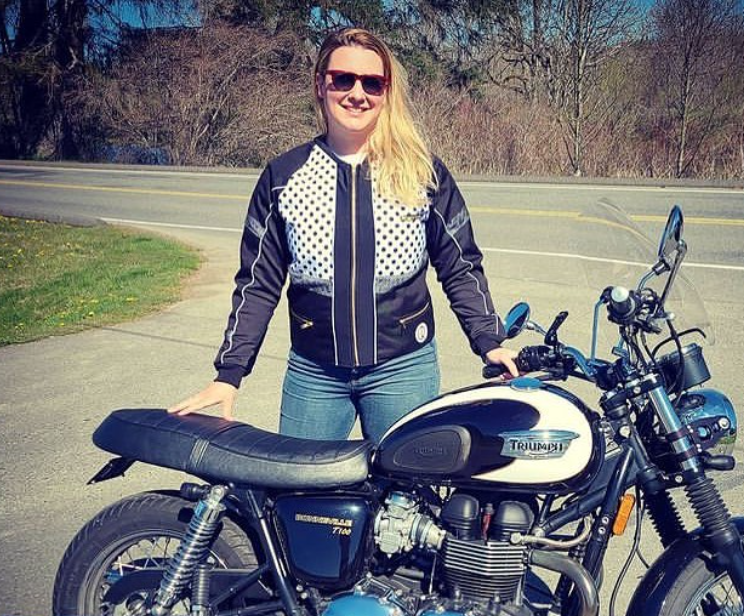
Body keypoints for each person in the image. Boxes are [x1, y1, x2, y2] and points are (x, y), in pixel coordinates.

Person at [170, 26, 517, 442]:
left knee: (403, 483)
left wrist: (490, 340)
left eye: (372, 83)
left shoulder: (423, 172)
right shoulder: (283, 177)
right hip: (314, 376)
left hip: (404, 370)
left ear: (386, 92)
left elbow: (460, 266)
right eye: (343, 79)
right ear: (321, 84)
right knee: (300, 483)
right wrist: (229, 374)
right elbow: (258, 284)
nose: (357, 93)